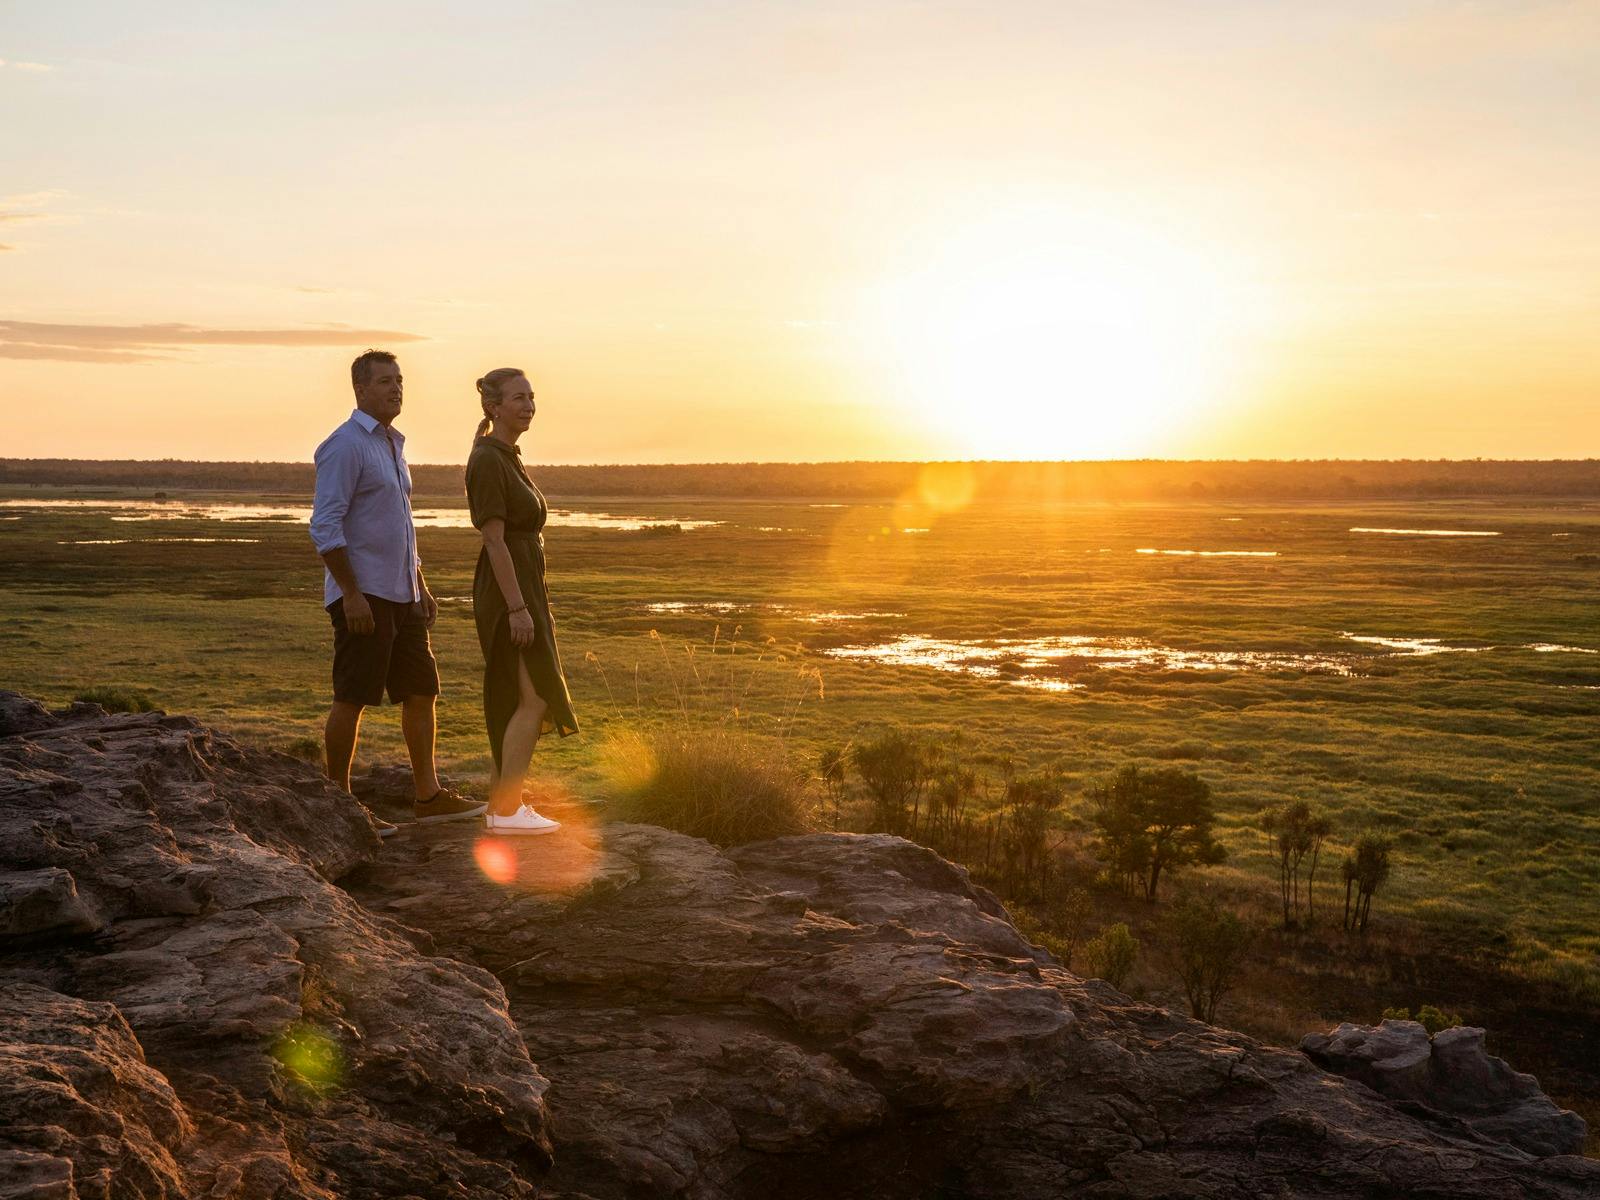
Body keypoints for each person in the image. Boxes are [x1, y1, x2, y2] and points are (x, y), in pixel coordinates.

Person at [309, 349, 486, 835]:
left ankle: (427, 796)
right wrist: (351, 594)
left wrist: (420, 584)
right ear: (360, 389)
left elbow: (399, 526)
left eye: (400, 381)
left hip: (402, 593)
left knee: (421, 690)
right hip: (363, 595)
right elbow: (325, 526)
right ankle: (339, 806)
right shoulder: (345, 445)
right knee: (353, 695)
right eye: (385, 381)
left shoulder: (392, 444)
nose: (396, 389)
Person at [465, 367, 579, 835]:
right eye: (518, 397)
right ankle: (507, 812)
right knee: (533, 697)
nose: (528, 404)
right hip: (507, 589)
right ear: (494, 406)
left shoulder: (506, 455)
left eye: (532, 396)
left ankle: (501, 807)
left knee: (519, 697)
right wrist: (517, 607)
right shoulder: (489, 460)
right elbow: (494, 540)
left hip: (523, 586)